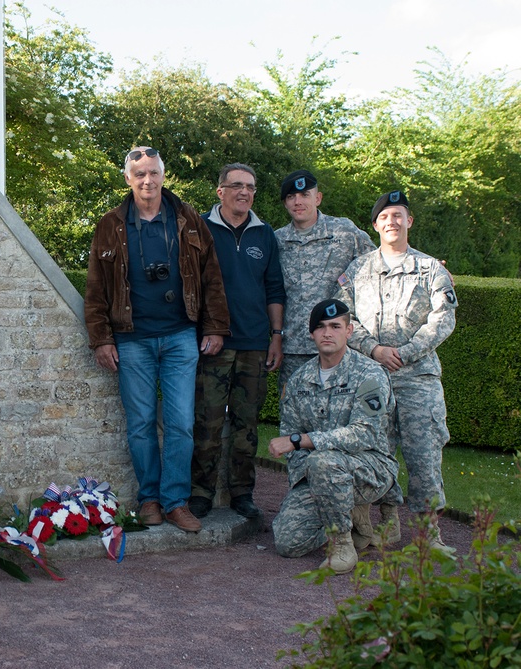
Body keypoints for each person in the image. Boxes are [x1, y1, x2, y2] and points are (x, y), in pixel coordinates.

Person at [85, 146, 230, 532]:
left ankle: (176, 501)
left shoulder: (189, 221)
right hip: (132, 339)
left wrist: (215, 327)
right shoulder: (110, 224)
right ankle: (149, 498)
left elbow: (212, 278)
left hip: (181, 336)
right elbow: (96, 288)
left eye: (153, 173)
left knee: (181, 423)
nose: (147, 180)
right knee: (141, 423)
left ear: (163, 175)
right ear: (127, 179)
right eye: (139, 174)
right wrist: (101, 338)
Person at [336, 190, 458, 552]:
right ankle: (388, 525)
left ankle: (427, 535)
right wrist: (373, 349)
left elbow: (442, 319)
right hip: (373, 377)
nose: (392, 221)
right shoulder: (358, 269)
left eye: (398, 215)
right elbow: (344, 316)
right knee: (377, 453)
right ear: (375, 225)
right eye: (385, 216)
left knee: (424, 456)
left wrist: (404, 353)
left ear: (409, 221)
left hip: (417, 378)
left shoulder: (431, 269)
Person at [270, 299, 398, 574]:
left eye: (335, 326)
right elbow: (288, 440)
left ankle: (342, 545)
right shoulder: (299, 381)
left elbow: (364, 434)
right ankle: (350, 515)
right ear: (312, 334)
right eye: (320, 327)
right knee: (287, 543)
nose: (328, 333)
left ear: (349, 331)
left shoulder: (370, 373)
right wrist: (306, 481)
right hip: (319, 474)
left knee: (324, 462)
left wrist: (304, 440)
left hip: (371, 468)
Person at [189, 163, 285, 520]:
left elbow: (274, 289)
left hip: (255, 344)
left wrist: (276, 336)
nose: (244, 192)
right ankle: (200, 493)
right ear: (220, 191)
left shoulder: (265, 234)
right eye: (237, 185)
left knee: (247, 425)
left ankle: (242, 493)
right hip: (212, 344)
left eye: (251, 186)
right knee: (207, 421)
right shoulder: (199, 227)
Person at [275, 170, 376, 390]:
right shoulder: (277, 240)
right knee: (294, 414)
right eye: (291, 197)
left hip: (338, 345)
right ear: (285, 203)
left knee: (339, 414)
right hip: (294, 348)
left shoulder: (344, 231)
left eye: (304, 195)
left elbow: (379, 261)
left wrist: (428, 265)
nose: (298, 201)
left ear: (318, 198)